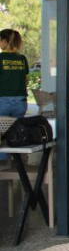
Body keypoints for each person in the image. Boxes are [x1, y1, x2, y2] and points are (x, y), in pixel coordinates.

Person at [0, 29, 28, 161]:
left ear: (5, 41)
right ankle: (17, 161)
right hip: (20, 102)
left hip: (2, 100)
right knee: (15, 131)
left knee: (1, 132)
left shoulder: (0, 58)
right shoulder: (22, 59)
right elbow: (26, 80)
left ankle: (3, 161)